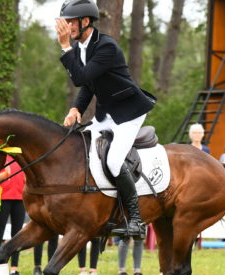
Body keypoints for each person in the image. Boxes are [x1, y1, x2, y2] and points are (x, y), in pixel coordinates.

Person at [56, 0, 156, 239]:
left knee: (112, 161)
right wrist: (75, 108)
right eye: (66, 22)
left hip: (128, 113)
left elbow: (80, 78)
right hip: (106, 112)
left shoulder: (106, 47)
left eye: (70, 22)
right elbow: (89, 86)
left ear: (85, 22)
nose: (66, 27)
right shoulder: (82, 47)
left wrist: (64, 47)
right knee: (82, 148)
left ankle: (135, 220)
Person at [0, 155, 26, 275]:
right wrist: (5, 174)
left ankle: (14, 269)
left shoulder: (20, 156)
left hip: (19, 198)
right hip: (2, 199)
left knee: (17, 235)